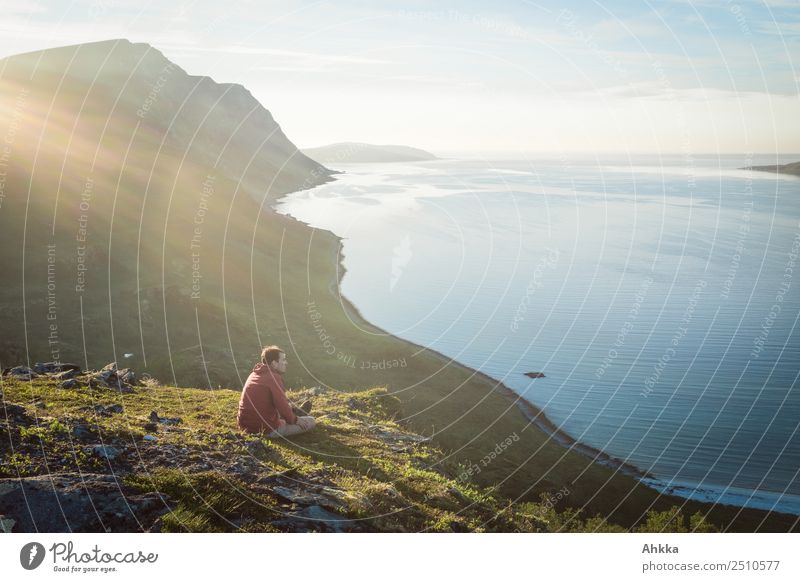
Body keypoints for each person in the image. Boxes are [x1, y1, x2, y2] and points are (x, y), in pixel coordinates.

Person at [237, 345, 316, 437]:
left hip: (244, 426)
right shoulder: (273, 378)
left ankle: (294, 413)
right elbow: (281, 405)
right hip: (265, 429)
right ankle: (295, 415)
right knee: (311, 421)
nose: (286, 362)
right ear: (274, 363)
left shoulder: (255, 373)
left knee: (283, 411)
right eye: (283, 360)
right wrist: (296, 420)